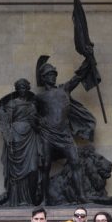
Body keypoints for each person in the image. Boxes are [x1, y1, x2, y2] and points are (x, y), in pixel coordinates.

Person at [36, 58, 96, 204]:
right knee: (45, 167)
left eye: (54, 74)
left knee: (75, 162)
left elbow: (78, 77)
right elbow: (32, 114)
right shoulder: (39, 97)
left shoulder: (64, 89)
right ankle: (44, 199)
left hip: (64, 134)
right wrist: (39, 120)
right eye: (49, 74)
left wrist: (88, 60)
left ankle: (81, 195)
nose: (53, 77)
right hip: (47, 134)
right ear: (43, 78)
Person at [0, 78, 40, 206]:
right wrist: (9, 138)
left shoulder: (32, 105)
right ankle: (19, 200)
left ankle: (31, 199)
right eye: (20, 87)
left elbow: (38, 123)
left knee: (33, 169)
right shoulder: (12, 104)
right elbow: (6, 122)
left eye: (24, 87)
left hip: (30, 137)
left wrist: (35, 123)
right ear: (17, 89)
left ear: (28, 89)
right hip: (16, 138)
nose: (22, 90)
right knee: (17, 172)